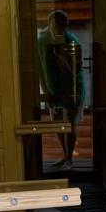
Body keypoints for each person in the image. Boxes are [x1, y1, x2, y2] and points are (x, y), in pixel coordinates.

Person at [37, 9, 84, 169]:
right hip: (52, 88)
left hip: (72, 88)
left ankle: (69, 159)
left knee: (69, 124)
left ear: (66, 26)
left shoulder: (72, 41)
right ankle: (65, 156)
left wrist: (63, 57)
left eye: (62, 27)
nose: (59, 31)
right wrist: (45, 91)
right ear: (49, 24)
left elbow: (77, 70)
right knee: (57, 123)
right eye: (55, 27)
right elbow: (40, 67)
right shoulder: (41, 40)